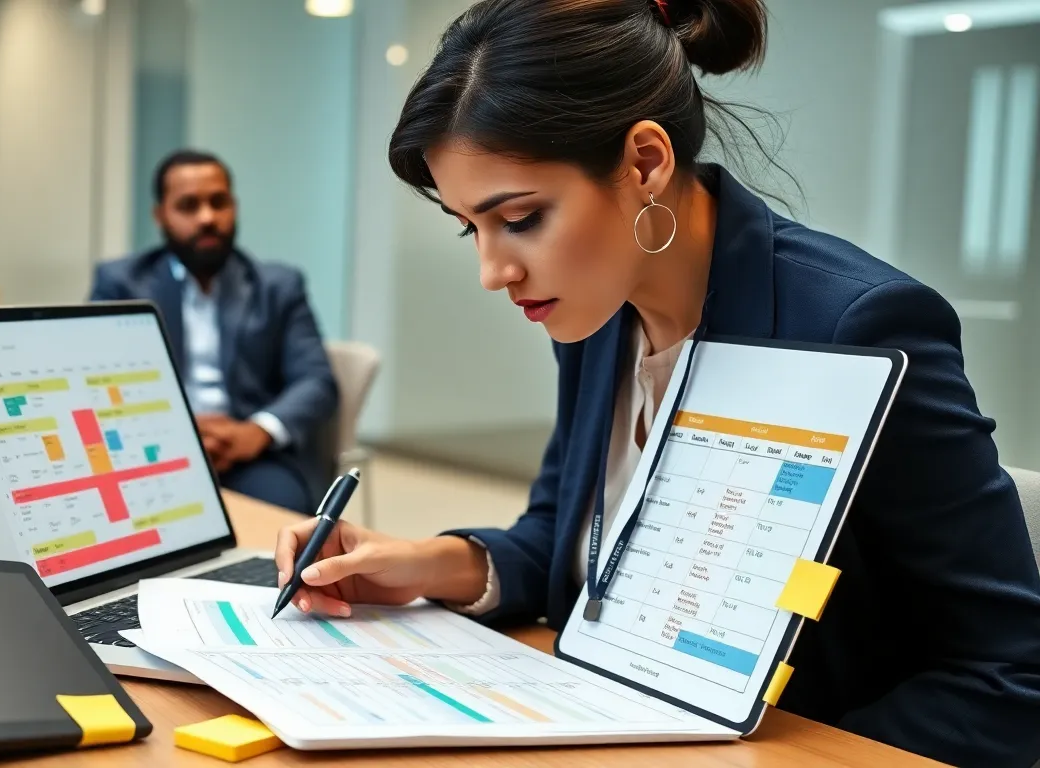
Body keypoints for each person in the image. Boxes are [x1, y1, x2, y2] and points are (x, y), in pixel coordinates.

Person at [273, 1, 1040, 765]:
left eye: (523, 218)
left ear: (645, 163)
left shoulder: (857, 327)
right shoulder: (601, 313)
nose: (493, 272)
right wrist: (420, 564)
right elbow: (575, 545)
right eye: (472, 227)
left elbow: (1011, 675)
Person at [91, 149, 338, 514]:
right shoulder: (122, 283)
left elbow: (315, 381)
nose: (207, 218)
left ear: (233, 207)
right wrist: (177, 432)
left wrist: (258, 431)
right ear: (160, 215)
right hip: (149, 451)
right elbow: (98, 379)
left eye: (218, 202)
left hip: (249, 453)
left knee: (286, 521)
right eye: (188, 206)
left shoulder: (278, 285)